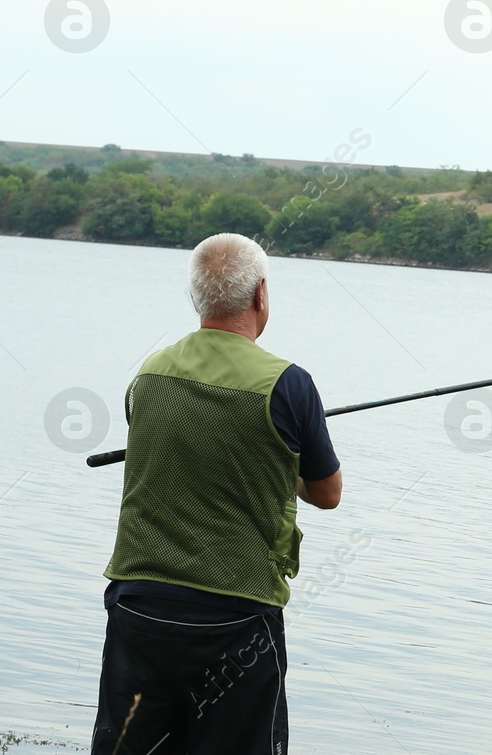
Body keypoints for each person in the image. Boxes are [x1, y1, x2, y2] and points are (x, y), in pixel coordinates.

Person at [91, 232, 342, 755]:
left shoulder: (148, 374)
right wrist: (284, 463)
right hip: (237, 619)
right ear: (260, 296)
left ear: (197, 298)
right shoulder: (289, 385)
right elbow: (327, 492)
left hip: (138, 607)